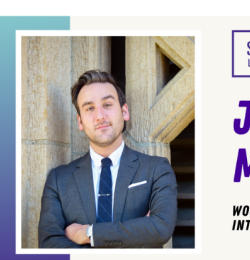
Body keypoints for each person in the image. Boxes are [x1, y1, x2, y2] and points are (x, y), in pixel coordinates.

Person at [38, 70, 177, 248]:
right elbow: (49, 244)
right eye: (89, 108)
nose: (100, 116)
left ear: (124, 111)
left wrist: (90, 233)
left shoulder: (157, 169)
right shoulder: (58, 180)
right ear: (80, 122)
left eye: (108, 104)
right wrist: (138, 232)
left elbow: (160, 227)